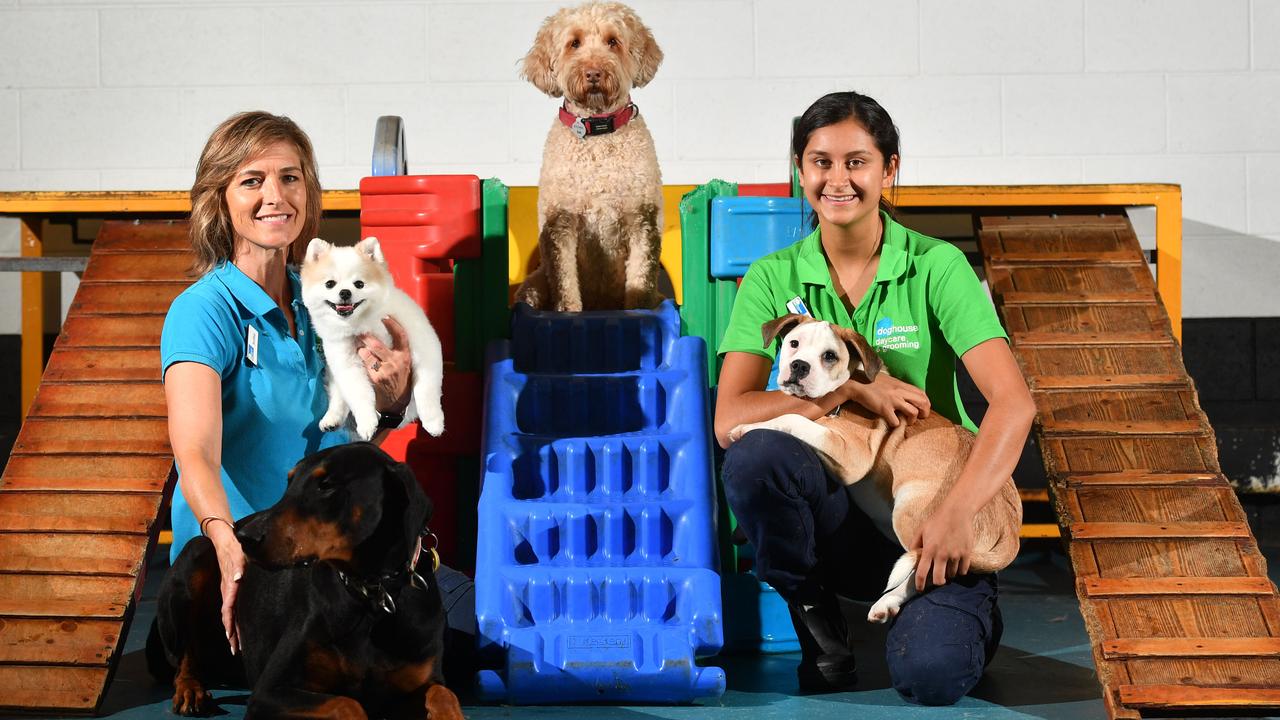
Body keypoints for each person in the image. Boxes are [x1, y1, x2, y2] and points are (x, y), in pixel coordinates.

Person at [713, 91, 1035, 705]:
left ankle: (965, 614)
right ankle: (817, 618)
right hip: (842, 523)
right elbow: (732, 416)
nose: (838, 180)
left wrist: (957, 513)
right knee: (757, 457)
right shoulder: (772, 277)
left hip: (934, 513)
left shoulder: (935, 265)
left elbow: (1014, 405)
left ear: (889, 170)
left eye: (857, 162)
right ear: (800, 171)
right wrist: (852, 389)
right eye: (821, 162)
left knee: (930, 677)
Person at [160, 111, 472, 671]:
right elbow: (195, 455)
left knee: (484, 637)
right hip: (263, 566)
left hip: (339, 563)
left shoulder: (325, 297)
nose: (274, 195)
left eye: (290, 177)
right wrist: (228, 550)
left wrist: (395, 396)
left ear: (309, 190)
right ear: (219, 199)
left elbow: (361, 428)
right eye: (251, 180)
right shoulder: (202, 311)